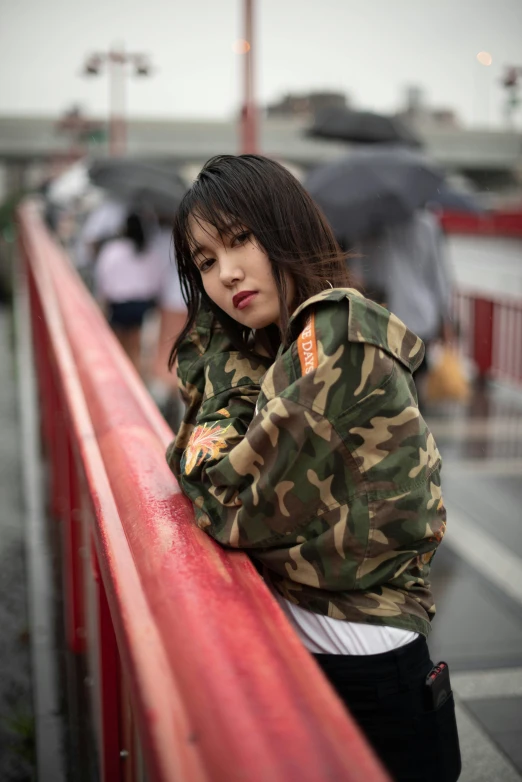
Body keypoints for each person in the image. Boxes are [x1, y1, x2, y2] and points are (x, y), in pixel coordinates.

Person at [165, 155, 461, 782]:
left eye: (240, 240)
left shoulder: (334, 337)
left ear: (285, 226)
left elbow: (225, 501)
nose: (227, 275)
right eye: (205, 262)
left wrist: (204, 429)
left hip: (369, 674)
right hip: (316, 654)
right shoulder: (276, 347)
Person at [350, 209, 455, 390]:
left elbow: (358, 274)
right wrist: (445, 317)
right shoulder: (428, 224)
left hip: (385, 318)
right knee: (415, 379)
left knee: (388, 384)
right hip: (421, 318)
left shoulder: (370, 225)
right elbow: (438, 276)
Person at [94, 212, 165, 373]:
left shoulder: (112, 250)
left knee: (117, 346)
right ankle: (135, 379)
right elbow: (157, 280)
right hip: (142, 304)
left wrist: (102, 303)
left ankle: (119, 376)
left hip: (119, 305)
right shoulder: (149, 251)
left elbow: (103, 278)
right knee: (135, 348)